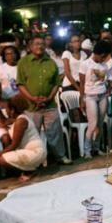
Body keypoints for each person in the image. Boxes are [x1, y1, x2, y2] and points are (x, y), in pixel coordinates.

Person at [16, 35, 71, 165]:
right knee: (32, 135)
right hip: (31, 106)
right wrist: (32, 98)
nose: (39, 46)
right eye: (36, 44)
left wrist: (50, 97)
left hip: (50, 104)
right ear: (30, 46)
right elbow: (20, 84)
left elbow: (56, 83)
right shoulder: (23, 62)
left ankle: (60, 157)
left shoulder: (51, 62)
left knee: (55, 133)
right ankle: (32, 161)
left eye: (41, 44)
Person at [79, 40, 112, 158]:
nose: (105, 58)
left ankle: (96, 148)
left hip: (102, 95)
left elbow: (106, 81)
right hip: (90, 97)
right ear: (101, 53)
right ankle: (87, 150)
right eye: (105, 56)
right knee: (92, 124)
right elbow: (82, 83)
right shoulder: (85, 64)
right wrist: (81, 99)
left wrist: (108, 91)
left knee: (100, 123)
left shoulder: (104, 65)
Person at [0, 111, 47, 183]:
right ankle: (31, 168)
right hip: (32, 151)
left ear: (12, 110)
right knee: (5, 157)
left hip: (35, 152)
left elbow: (14, 145)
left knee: (2, 160)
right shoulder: (19, 118)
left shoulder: (21, 121)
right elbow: (5, 121)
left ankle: (30, 170)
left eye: (7, 109)